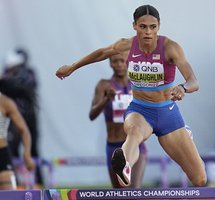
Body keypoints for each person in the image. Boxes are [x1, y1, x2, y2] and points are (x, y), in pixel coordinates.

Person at [56, 4, 207, 187]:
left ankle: (184, 132)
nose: (148, 32)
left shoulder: (170, 48)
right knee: (134, 133)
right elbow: (102, 53)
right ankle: (124, 164)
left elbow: (194, 81)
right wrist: (72, 67)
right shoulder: (126, 45)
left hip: (167, 113)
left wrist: (183, 88)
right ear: (134, 26)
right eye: (143, 26)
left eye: (153, 27)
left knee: (200, 179)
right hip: (140, 110)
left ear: (159, 26)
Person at [89, 54, 147, 188]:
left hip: (135, 143)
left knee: (134, 191)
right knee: (119, 193)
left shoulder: (138, 85)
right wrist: (106, 99)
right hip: (114, 146)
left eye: (122, 61)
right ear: (110, 64)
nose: (119, 64)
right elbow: (92, 115)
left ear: (128, 62)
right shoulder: (104, 85)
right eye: (115, 61)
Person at [2, 48, 43, 186]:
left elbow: (28, 85)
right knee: (13, 149)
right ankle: (17, 181)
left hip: (28, 116)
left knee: (33, 149)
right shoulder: (7, 76)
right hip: (14, 119)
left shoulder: (27, 74)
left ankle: (38, 180)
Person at [0, 78, 35, 190]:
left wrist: (27, 154)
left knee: (9, 195)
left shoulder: (5, 103)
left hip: (2, 155)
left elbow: (24, 130)